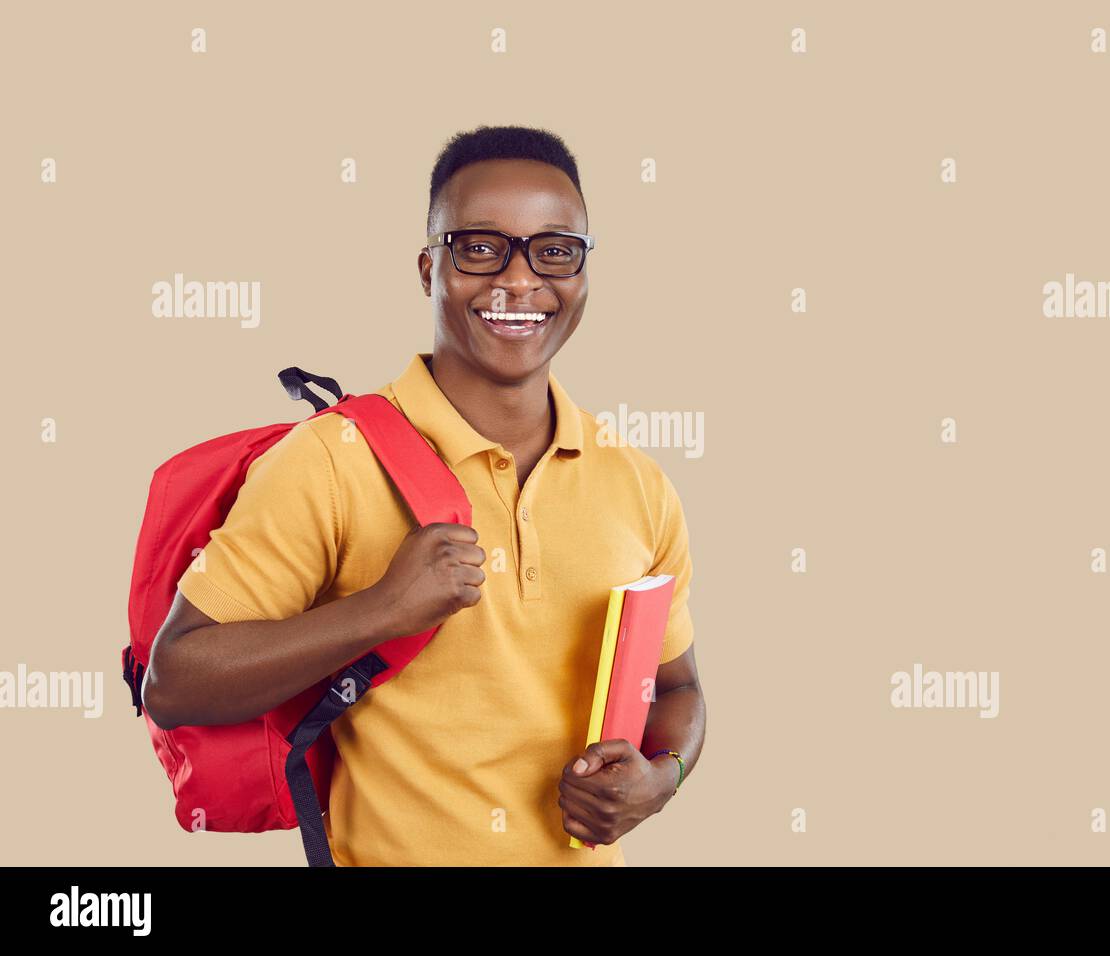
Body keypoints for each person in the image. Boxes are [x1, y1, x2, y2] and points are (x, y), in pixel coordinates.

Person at [143, 125, 705, 866]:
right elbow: (176, 680)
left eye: (555, 250)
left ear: (583, 270)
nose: (519, 280)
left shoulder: (636, 481)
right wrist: (382, 610)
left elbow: (680, 689)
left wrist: (663, 776)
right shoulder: (331, 461)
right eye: (479, 247)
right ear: (426, 267)